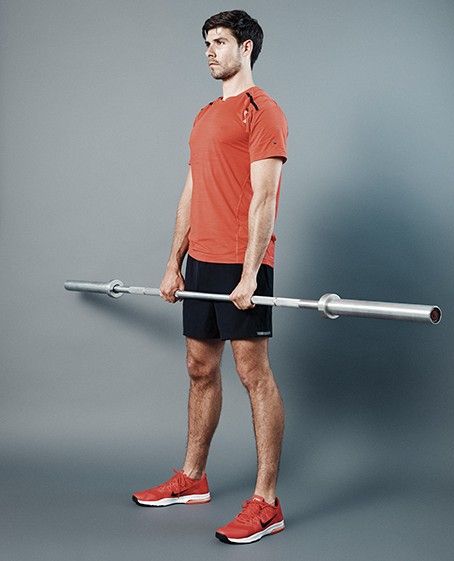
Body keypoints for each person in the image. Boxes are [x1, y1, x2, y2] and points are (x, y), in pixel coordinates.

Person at [129, 10, 289, 545]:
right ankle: (192, 479)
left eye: (219, 41)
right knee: (200, 367)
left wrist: (249, 272)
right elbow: (192, 192)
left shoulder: (262, 111)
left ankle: (267, 502)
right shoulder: (203, 115)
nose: (209, 51)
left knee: (253, 373)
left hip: (242, 263)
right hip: (201, 259)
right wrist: (174, 261)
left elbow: (265, 197)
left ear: (246, 47)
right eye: (205, 42)